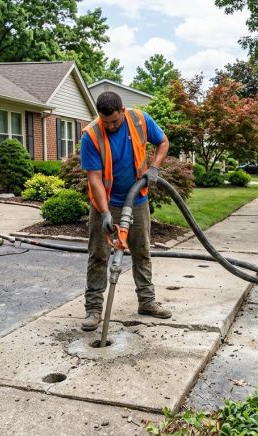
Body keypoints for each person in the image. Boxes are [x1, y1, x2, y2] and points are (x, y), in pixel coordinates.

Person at [79, 91, 171, 331]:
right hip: (105, 203)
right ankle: (93, 310)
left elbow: (163, 142)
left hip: (137, 200)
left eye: (114, 121)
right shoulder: (91, 134)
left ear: (122, 111)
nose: (110, 126)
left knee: (142, 252)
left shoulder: (140, 120)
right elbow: (95, 178)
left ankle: (147, 301)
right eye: (105, 121)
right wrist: (104, 212)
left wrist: (154, 168)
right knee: (99, 254)